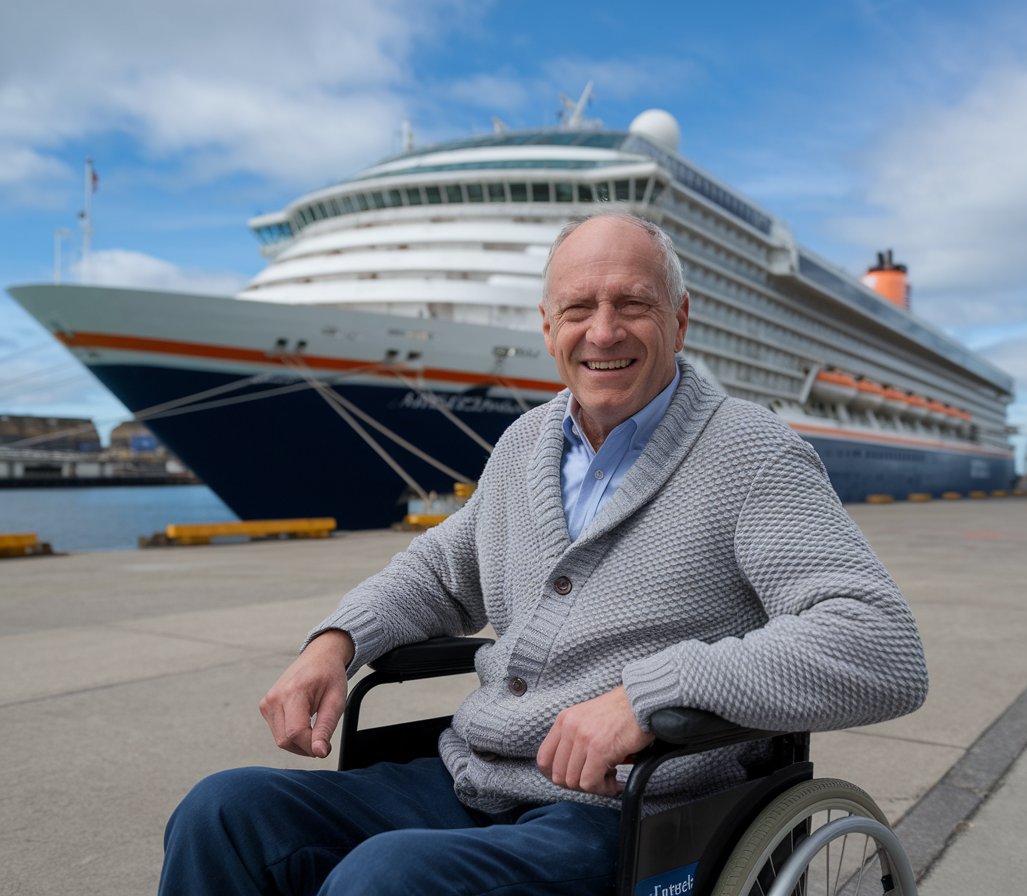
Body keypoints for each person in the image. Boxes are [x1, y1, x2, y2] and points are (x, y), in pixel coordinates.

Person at [160, 213, 928, 895]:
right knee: (223, 813)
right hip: (476, 776)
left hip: (629, 810)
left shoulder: (751, 454)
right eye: (579, 309)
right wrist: (335, 643)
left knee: (388, 878)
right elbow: (438, 570)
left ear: (681, 318)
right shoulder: (527, 441)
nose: (603, 332)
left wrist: (645, 696)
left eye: (632, 304)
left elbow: (879, 645)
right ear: (546, 324)